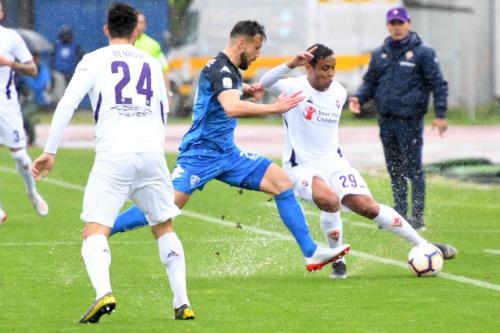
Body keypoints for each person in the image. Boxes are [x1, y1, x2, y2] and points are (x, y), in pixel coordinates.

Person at [110, 20, 351, 272]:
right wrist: (275, 107)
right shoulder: (222, 70)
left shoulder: (228, 70)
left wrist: (245, 90)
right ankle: (104, 228)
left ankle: (311, 253)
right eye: (256, 49)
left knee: (281, 183)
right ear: (241, 43)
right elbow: (231, 107)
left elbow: (225, 96)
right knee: (164, 208)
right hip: (201, 155)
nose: (258, 55)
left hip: (228, 154)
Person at [32, 3, 194, 323]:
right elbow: (163, 107)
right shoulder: (150, 60)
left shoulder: (94, 59)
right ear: (136, 31)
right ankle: (182, 303)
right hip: (151, 153)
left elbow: (67, 104)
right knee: (163, 226)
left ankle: (103, 292)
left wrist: (50, 150)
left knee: (95, 229)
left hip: (114, 155)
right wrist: (153, 147)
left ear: (106, 30)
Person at [258, 43, 456, 279]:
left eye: (333, 68)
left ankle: (425, 245)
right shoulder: (292, 87)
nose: (330, 73)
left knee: (367, 206)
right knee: (330, 201)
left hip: (335, 163)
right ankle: (338, 261)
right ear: (308, 66)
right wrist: (290, 63)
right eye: (324, 68)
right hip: (302, 167)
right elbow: (266, 81)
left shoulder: (339, 92)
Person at [348, 6, 448, 230]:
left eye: (400, 23)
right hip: (386, 119)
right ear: (388, 26)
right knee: (394, 169)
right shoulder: (379, 53)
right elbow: (371, 81)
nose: (397, 27)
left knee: (413, 169)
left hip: (410, 119)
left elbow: (438, 84)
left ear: (408, 24)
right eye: (393, 24)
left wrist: (440, 114)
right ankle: (399, 214)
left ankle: (417, 217)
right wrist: (358, 97)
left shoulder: (423, 53)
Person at [0, 2, 49, 223]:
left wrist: (9, 63)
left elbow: (32, 69)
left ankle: (32, 192)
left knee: (20, 157)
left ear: (1, 13)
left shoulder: (11, 38)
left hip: (6, 105)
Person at [134, 12, 173, 108]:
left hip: (146, 94)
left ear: (145, 25)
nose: (139, 25)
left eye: (142, 22)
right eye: (137, 22)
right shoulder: (124, 42)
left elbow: (164, 70)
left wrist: (168, 95)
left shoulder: (153, 45)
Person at [18, 51, 53, 145]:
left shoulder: (43, 70)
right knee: (17, 117)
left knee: (24, 116)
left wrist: (26, 77)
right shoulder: (25, 69)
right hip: (26, 100)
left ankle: (32, 139)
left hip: (39, 100)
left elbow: (38, 86)